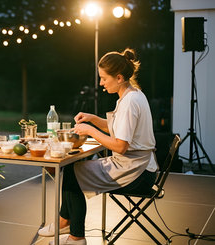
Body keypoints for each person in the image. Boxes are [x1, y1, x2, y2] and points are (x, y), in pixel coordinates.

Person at [38, 49, 157, 245]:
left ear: (118, 78)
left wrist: (91, 131)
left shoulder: (129, 102)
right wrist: (93, 120)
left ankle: (75, 236)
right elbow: (118, 129)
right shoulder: (132, 95)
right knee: (71, 169)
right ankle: (64, 223)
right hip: (141, 167)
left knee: (73, 173)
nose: (101, 83)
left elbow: (120, 146)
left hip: (136, 172)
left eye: (103, 78)